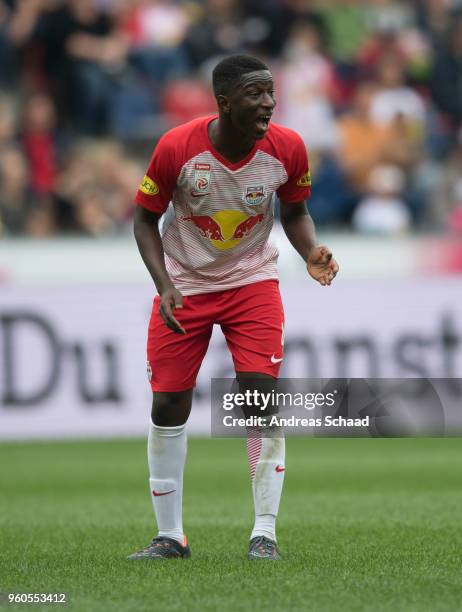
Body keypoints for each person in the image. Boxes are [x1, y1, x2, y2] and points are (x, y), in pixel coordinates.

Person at [129, 54, 339, 561]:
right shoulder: (177, 147)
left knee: (260, 400)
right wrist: (164, 285)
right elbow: (143, 220)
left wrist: (310, 250)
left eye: (270, 92)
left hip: (252, 281)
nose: (268, 102)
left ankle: (263, 533)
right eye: (255, 94)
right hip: (184, 282)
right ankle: (170, 536)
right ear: (224, 102)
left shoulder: (287, 147)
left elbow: (295, 210)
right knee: (168, 404)